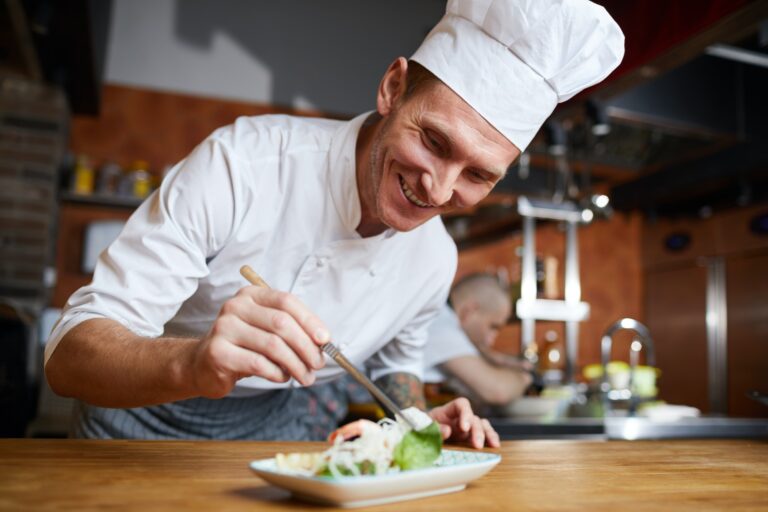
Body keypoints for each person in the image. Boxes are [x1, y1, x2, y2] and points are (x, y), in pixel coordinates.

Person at [44, 0, 624, 446]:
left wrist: (416, 420)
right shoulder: (243, 163)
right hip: (134, 429)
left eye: (479, 175)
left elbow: (399, 368)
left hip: (281, 438)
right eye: (433, 141)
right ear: (393, 89)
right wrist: (191, 362)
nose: (439, 190)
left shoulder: (434, 261)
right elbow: (70, 355)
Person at [423, 274, 533, 410]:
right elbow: (498, 390)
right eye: (493, 326)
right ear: (470, 311)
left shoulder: (442, 316)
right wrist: (524, 378)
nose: (493, 337)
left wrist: (498, 360)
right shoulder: (441, 324)